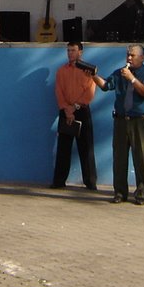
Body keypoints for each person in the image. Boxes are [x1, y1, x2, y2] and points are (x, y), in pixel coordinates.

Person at [90, 44, 144, 205]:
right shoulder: (120, 73)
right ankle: (120, 192)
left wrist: (132, 79)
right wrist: (92, 76)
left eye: (133, 55)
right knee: (119, 158)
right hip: (120, 120)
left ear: (142, 57)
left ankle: (141, 193)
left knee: (141, 158)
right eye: (128, 55)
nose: (129, 58)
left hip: (139, 121)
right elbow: (106, 86)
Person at [51, 41, 98, 190]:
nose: (70, 53)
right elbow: (59, 91)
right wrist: (66, 109)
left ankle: (90, 182)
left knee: (86, 147)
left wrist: (75, 106)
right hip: (66, 111)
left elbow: (90, 91)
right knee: (63, 148)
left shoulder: (88, 71)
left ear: (80, 52)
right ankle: (59, 181)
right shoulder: (61, 71)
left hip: (82, 110)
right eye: (68, 50)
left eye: (73, 50)